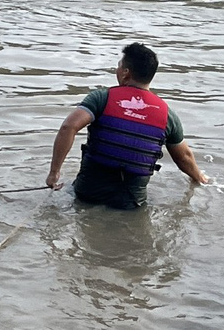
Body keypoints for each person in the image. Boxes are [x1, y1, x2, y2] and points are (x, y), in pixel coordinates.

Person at [45, 43, 211, 208]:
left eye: (119, 65)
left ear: (125, 73)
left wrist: (54, 173)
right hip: (131, 203)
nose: (117, 69)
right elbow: (184, 157)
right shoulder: (167, 116)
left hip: (88, 193)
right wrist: (201, 179)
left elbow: (69, 127)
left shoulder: (102, 98)